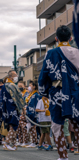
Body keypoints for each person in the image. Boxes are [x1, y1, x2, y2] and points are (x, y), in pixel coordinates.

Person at [38, 25, 79, 159]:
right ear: (71, 38)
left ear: (56, 39)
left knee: (57, 125)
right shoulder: (78, 53)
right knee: (77, 124)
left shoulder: (51, 53)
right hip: (75, 92)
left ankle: (63, 156)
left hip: (57, 93)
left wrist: (43, 93)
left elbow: (43, 76)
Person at [0, 70, 25, 151]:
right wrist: (23, 108)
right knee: (13, 125)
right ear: (10, 77)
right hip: (12, 108)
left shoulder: (4, 86)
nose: (16, 76)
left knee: (13, 126)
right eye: (15, 75)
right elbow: (19, 98)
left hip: (6, 109)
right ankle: (7, 143)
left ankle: (13, 144)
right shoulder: (12, 86)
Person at [25, 80, 42, 148]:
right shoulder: (30, 95)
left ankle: (35, 142)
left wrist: (31, 114)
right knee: (32, 128)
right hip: (29, 113)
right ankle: (34, 141)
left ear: (34, 87)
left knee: (33, 128)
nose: (29, 87)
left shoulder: (35, 95)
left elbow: (34, 106)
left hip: (33, 114)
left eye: (30, 85)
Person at [16, 81, 30, 147]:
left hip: (24, 112)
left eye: (21, 86)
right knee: (19, 128)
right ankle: (20, 141)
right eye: (18, 86)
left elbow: (26, 103)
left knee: (24, 127)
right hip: (19, 113)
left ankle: (25, 141)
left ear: (24, 86)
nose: (20, 88)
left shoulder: (27, 94)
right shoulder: (18, 94)